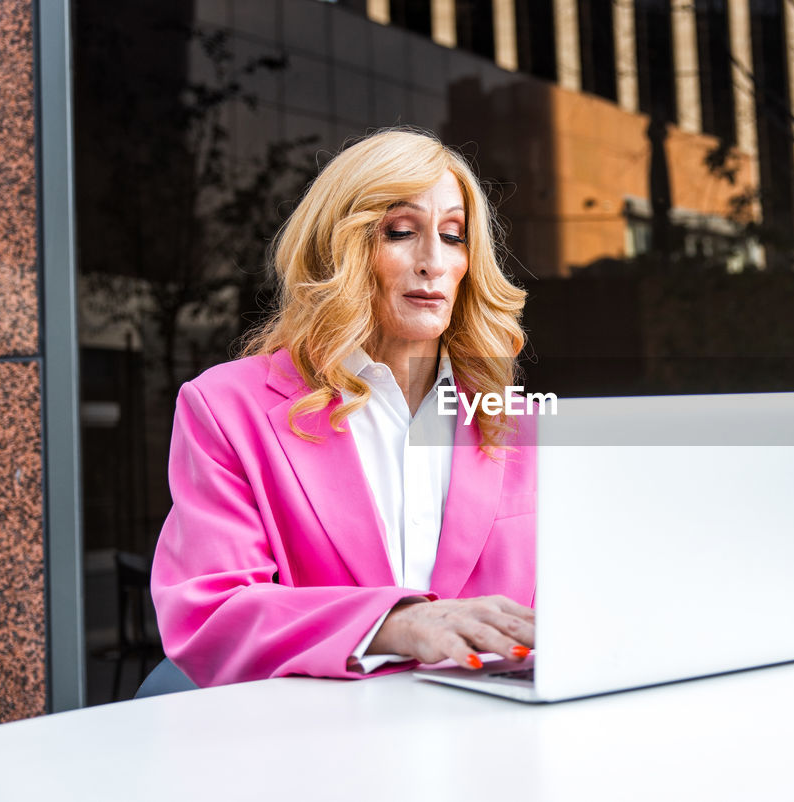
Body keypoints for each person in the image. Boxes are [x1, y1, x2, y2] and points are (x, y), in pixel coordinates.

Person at [150, 129, 537, 688]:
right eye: (401, 232)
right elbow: (212, 615)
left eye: (454, 236)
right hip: (316, 750)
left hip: (494, 741)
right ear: (340, 248)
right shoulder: (224, 408)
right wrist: (398, 623)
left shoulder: (516, 420)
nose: (433, 260)